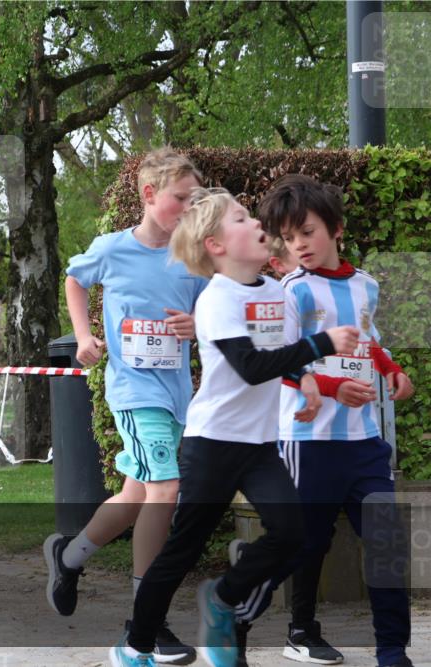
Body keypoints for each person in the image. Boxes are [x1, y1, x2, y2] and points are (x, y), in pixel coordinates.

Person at [110, 187, 360, 667]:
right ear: (216, 246)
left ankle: (222, 597)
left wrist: (306, 380)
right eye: (241, 218)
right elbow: (249, 366)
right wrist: (321, 345)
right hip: (212, 445)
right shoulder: (216, 300)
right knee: (181, 550)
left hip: (261, 444)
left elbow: (280, 356)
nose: (255, 222)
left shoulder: (275, 293)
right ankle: (136, 643)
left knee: (293, 533)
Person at [232, 175, 415, 667]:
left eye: (306, 232)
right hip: (308, 441)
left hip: (365, 441)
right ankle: (236, 614)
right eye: (289, 238)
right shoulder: (291, 291)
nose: (298, 245)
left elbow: (367, 340)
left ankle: (393, 651)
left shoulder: (366, 285)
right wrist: (332, 387)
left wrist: (392, 370)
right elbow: (277, 360)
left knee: (386, 543)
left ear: (336, 228)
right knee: (302, 546)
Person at [44, 148, 205, 665]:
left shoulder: (194, 257)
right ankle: (147, 618)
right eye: (182, 198)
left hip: (178, 393)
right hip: (135, 391)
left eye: (195, 199)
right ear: (149, 195)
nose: (188, 207)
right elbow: (73, 278)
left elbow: (214, 309)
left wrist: (198, 327)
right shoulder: (112, 249)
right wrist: (84, 334)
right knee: (166, 488)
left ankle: (68, 557)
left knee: (137, 496)